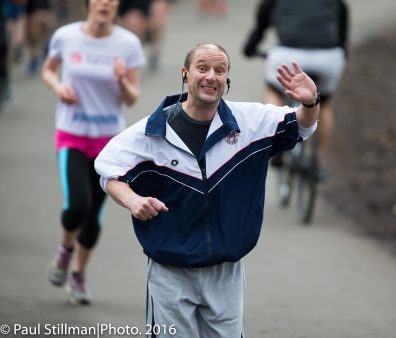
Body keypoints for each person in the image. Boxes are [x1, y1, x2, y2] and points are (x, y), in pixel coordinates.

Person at [94, 43, 319, 336]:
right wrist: (132, 199)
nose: (211, 76)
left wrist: (310, 103)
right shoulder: (151, 132)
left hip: (225, 273)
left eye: (220, 70)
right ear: (185, 74)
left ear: (227, 81)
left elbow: (300, 127)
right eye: (203, 68)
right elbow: (108, 167)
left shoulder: (249, 124)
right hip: (169, 271)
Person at [41, 0, 145, 305]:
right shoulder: (66, 36)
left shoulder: (128, 44)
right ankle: (64, 251)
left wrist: (122, 80)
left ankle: (78, 276)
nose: (105, 4)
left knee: (93, 217)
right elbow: (49, 71)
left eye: (111, 0)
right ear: (88, 4)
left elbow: (132, 98)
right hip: (72, 135)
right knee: (78, 205)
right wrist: (58, 88)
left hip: (109, 143)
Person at [243, 0, 349, 176]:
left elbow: (260, 28)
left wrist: (250, 49)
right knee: (324, 104)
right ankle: (319, 158)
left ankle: (276, 142)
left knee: (274, 89)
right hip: (329, 56)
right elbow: (342, 35)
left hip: (289, 54)